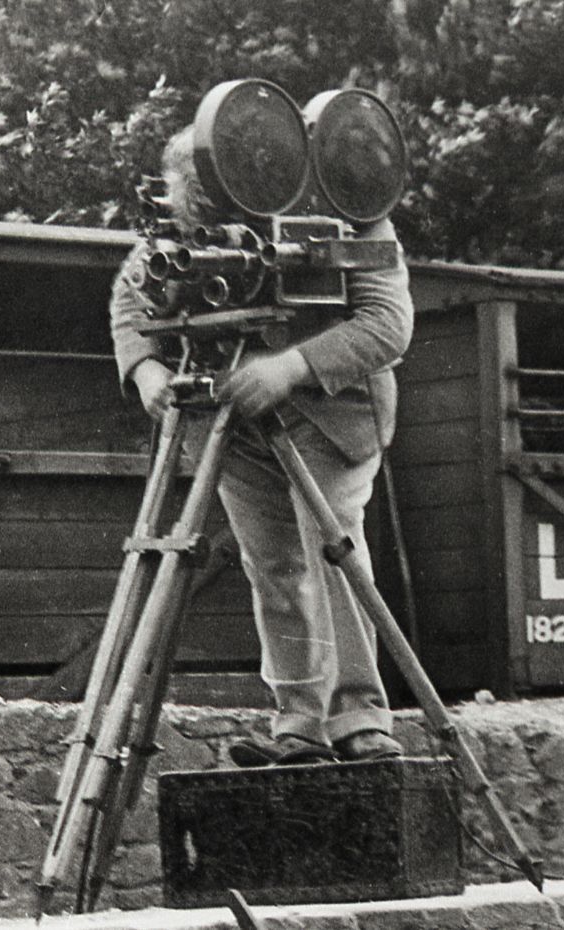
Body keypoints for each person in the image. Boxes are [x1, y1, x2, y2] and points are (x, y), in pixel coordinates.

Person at [109, 125, 414, 765]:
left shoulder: (348, 195)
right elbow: (131, 291)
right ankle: (299, 724)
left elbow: (387, 324)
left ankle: (359, 717)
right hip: (231, 414)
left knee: (334, 553)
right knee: (271, 566)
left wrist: (291, 367)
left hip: (331, 411)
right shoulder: (189, 206)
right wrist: (145, 369)